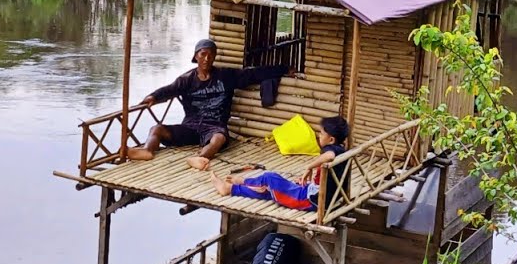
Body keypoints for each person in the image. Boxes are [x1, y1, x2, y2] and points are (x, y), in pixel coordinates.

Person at [128, 38, 289, 170]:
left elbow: (254, 74)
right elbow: (169, 90)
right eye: (203, 54)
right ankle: (147, 150)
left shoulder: (225, 76)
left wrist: (284, 69)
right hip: (190, 127)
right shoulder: (186, 80)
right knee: (156, 129)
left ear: (214, 57)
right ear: (196, 56)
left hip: (214, 127)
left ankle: (201, 158)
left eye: (211, 55)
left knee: (219, 138)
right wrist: (153, 96)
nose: (206, 59)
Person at [210, 116, 350, 212]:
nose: (319, 136)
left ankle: (243, 181)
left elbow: (329, 156)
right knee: (269, 191)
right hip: (322, 197)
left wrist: (309, 167)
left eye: (321, 134)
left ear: (331, 140)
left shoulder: (331, 151)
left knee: (270, 177)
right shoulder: (342, 150)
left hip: (308, 200)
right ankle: (230, 188)